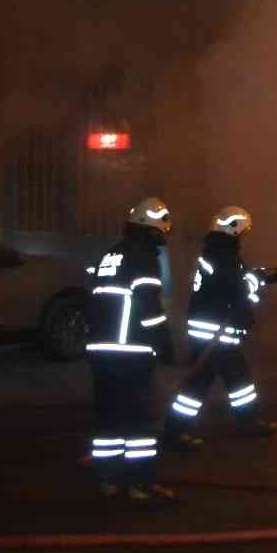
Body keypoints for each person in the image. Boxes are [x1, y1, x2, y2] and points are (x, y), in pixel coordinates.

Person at [163, 206, 277, 450]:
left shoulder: (219, 253)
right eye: (242, 231)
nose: (243, 236)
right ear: (233, 228)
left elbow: (237, 279)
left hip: (218, 333)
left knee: (239, 380)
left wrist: (264, 275)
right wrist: (255, 281)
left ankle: (247, 421)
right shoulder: (221, 256)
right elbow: (236, 288)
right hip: (214, 334)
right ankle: (174, 432)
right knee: (196, 387)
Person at [86, 197, 176, 505]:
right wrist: (164, 342)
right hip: (130, 351)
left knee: (109, 418)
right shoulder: (143, 259)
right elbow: (148, 307)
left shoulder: (112, 254)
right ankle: (141, 485)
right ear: (154, 229)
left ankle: (108, 481)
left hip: (101, 350)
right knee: (139, 422)